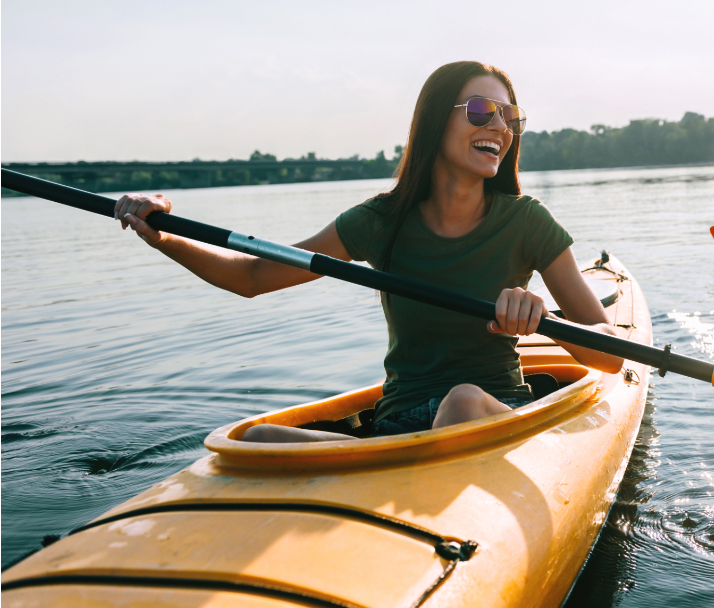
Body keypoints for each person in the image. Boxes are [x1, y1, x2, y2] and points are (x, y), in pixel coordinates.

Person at [112, 61, 624, 442]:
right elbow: (251, 276)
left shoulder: (526, 221)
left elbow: (607, 354)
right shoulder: (381, 221)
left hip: (490, 411)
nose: (500, 126)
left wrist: (539, 319)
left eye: (510, 116)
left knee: (462, 401)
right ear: (433, 121)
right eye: (480, 111)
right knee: (253, 437)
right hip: (397, 424)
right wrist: (163, 235)